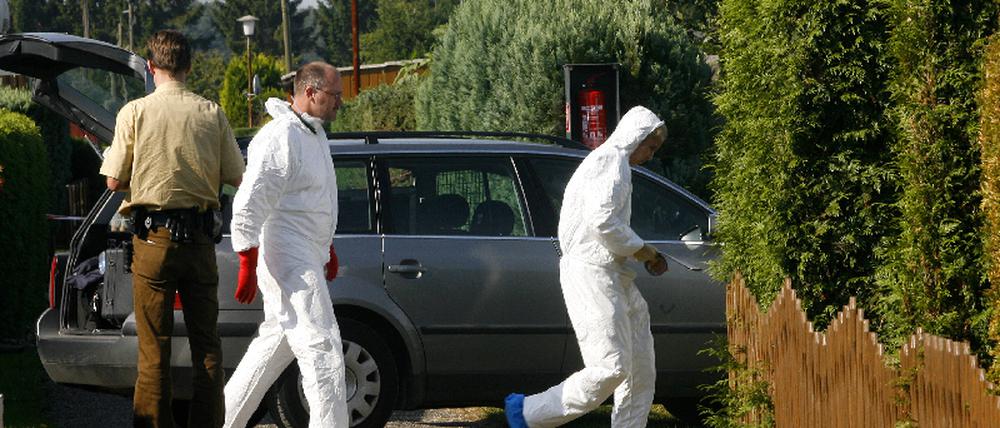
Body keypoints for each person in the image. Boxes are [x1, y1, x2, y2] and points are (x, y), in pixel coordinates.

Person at [99, 30, 245, 428]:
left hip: (152, 240)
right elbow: (237, 175)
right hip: (199, 242)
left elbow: (113, 181)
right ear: (189, 66)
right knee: (208, 349)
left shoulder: (134, 112)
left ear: (151, 67)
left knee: (153, 352)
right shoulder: (212, 113)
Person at [505, 106, 668, 428]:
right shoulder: (609, 162)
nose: (651, 154)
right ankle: (527, 412)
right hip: (592, 272)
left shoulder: (616, 164)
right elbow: (603, 223)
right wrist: (645, 251)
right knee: (611, 366)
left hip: (613, 272)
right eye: (650, 146)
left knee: (640, 367)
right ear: (635, 137)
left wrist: (639, 252)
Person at [223, 61, 346, 428]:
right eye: (334, 95)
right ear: (310, 92)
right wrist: (246, 257)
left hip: (302, 252)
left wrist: (326, 247)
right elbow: (248, 202)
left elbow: (311, 199)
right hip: (289, 257)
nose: (340, 102)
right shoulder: (281, 137)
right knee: (323, 353)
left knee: (272, 348)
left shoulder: (312, 134)